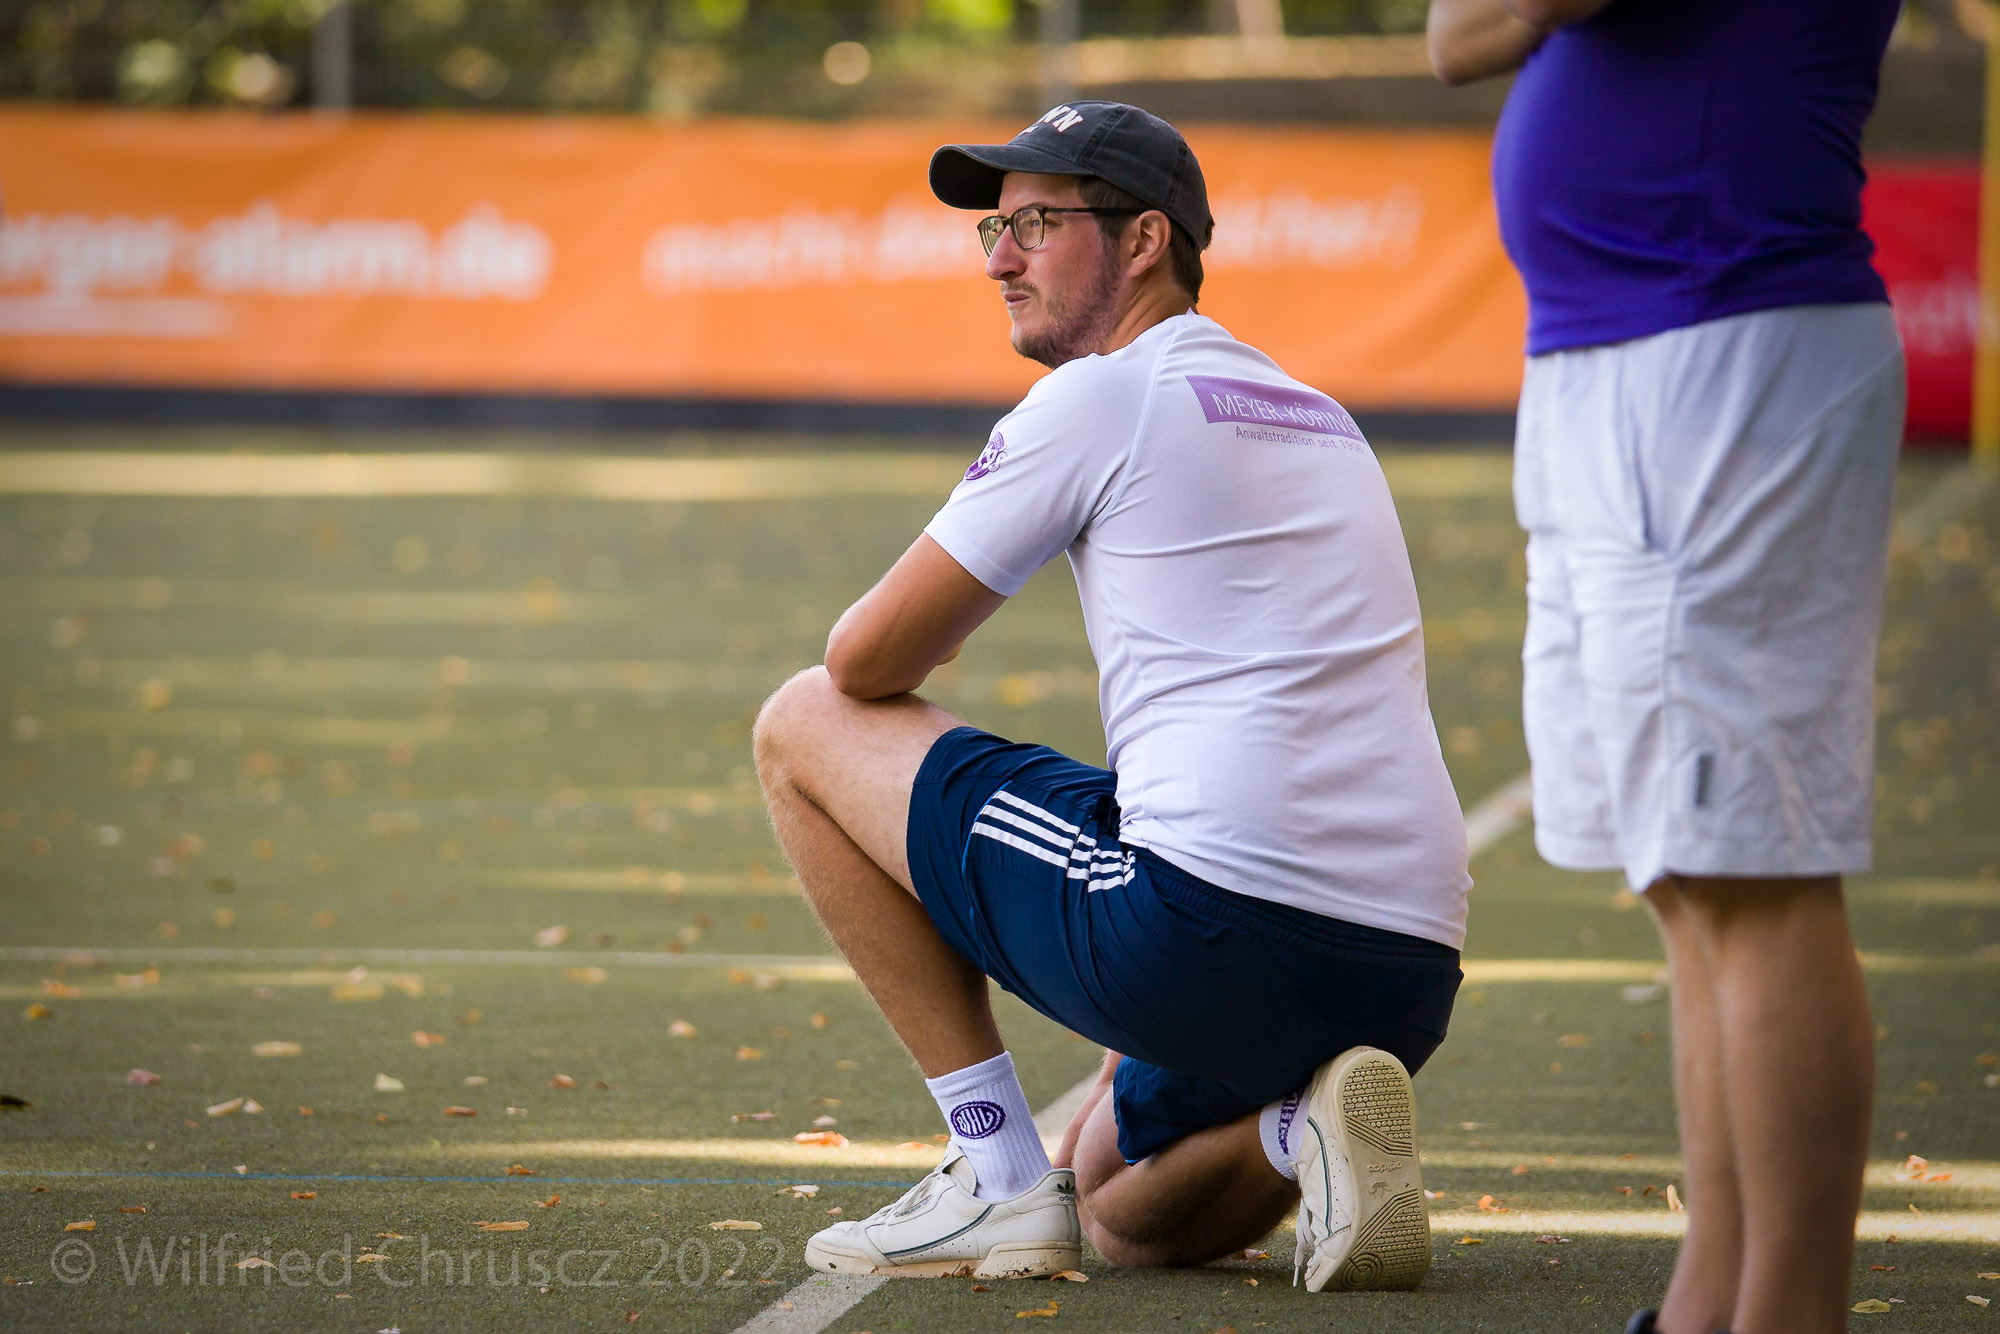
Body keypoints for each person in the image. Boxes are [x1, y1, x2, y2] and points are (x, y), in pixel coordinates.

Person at [751, 101, 1471, 1291]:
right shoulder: (1317, 412)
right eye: (992, 227)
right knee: (1116, 1204)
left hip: (1215, 929)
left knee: (800, 723)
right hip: (1405, 972)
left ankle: (991, 1173)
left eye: (1036, 222)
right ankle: (1304, 1123)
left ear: (1143, 240)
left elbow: (862, 662)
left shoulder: (1103, 392)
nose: (998, 258)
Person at [1423, 3, 1904, 1332]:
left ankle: (1787, 1313)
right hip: (1615, 348)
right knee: (1685, 874)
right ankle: (1706, 1303)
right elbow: (1455, 33)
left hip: (1721, 334)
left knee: (1750, 870)